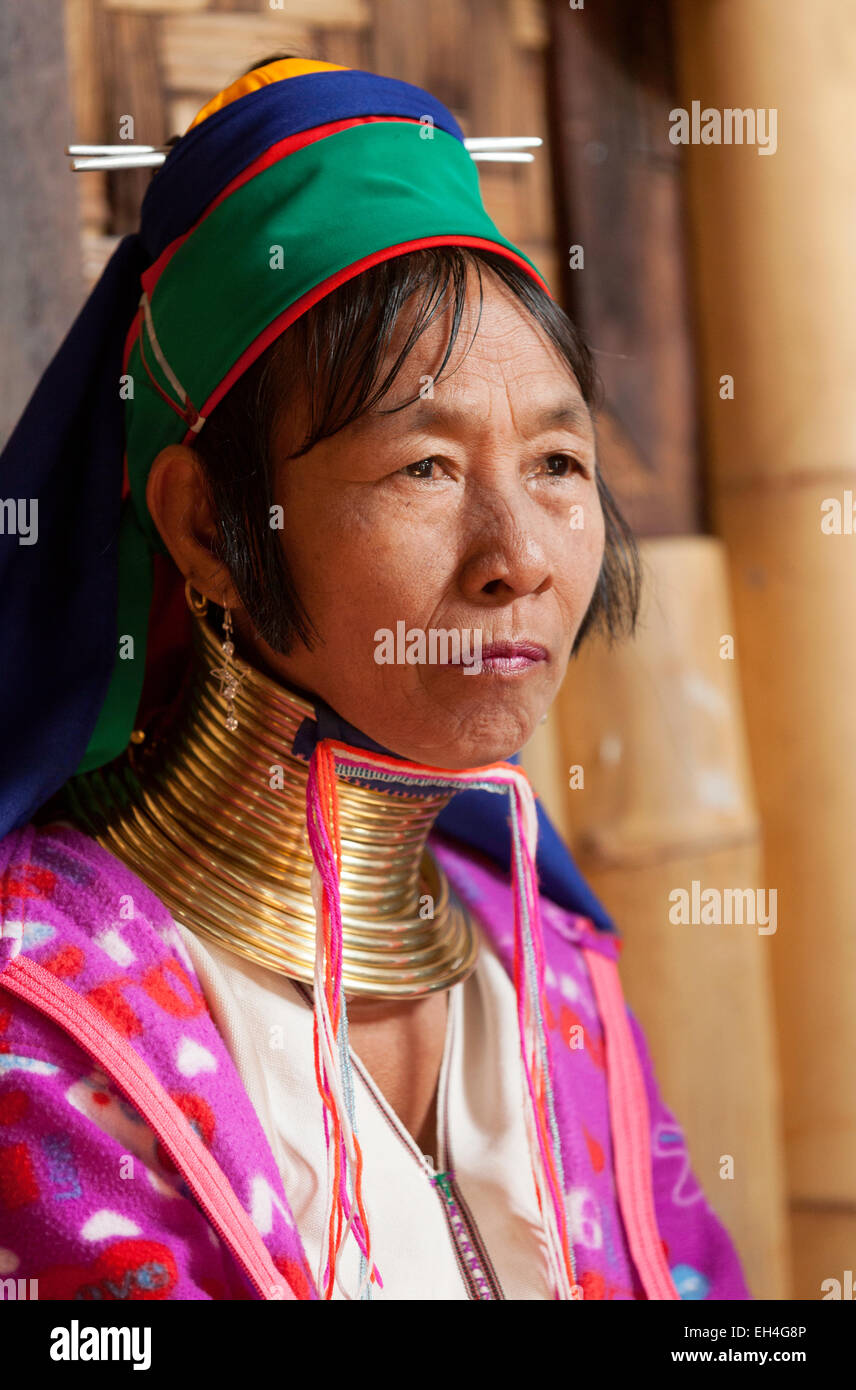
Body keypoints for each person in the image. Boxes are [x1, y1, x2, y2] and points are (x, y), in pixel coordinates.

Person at [0, 55, 750, 1301]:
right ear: (207, 531)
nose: (518, 557)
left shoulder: (553, 971)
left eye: (559, 461)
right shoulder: (42, 1017)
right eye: (423, 468)